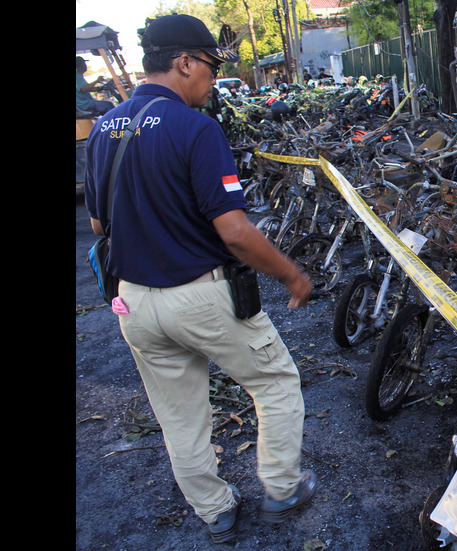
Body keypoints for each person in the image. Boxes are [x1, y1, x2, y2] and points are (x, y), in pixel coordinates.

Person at [83, 13, 317, 544]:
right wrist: (292, 275)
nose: (212, 79)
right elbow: (234, 232)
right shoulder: (196, 128)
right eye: (210, 66)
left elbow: (99, 224)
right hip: (200, 295)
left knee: (179, 414)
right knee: (275, 383)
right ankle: (281, 487)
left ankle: (215, 511)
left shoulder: (103, 128)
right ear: (184, 62)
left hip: (134, 304)